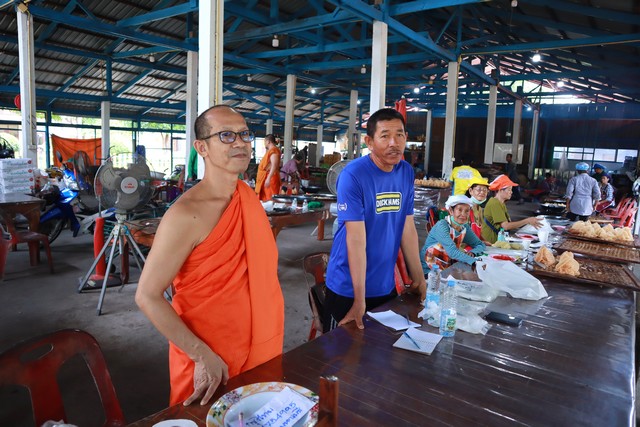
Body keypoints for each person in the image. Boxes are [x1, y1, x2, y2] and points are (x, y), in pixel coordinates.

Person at [135, 105, 284, 407]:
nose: (240, 143)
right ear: (201, 147)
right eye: (226, 135)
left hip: (262, 344)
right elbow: (147, 296)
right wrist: (201, 355)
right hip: (212, 358)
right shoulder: (186, 214)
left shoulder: (247, 197)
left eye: (244, 134)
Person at [322, 108, 426, 332]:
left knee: (380, 349)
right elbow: (356, 240)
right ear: (369, 142)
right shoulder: (353, 175)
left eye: (399, 135)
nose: (394, 143)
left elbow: (407, 228)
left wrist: (419, 278)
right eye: (385, 136)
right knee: (340, 351)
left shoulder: (406, 172)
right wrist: (359, 299)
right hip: (348, 287)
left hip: (384, 283)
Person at [420, 195, 486, 274]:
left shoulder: (464, 227)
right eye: (460, 210)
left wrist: (473, 252)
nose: (463, 214)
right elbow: (452, 252)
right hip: (428, 271)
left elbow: (479, 244)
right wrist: (474, 261)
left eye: (467, 211)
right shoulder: (442, 226)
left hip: (446, 268)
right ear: (451, 211)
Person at [482, 174, 542, 243]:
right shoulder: (494, 203)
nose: (511, 192)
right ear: (501, 190)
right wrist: (527, 221)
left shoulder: (501, 203)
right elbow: (506, 226)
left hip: (498, 241)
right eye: (509, 190)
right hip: (490, 244)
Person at [255, 134, 281, 201]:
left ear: (268, 141)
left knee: (270, 199)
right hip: (266, 177)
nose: (264, 144)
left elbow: (274, 165)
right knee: (265, 199)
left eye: (265, 142)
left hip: (271, 178)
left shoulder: (274, 150)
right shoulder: (270, 151)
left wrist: (268, 178)